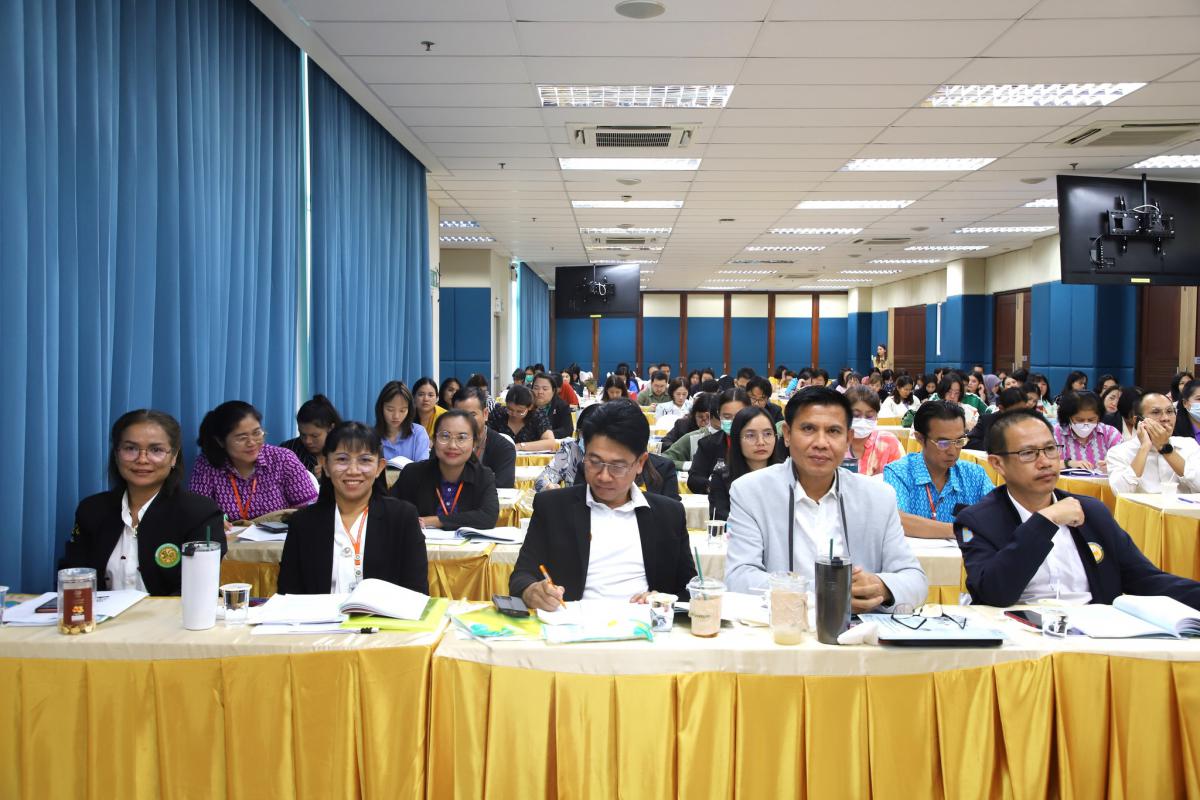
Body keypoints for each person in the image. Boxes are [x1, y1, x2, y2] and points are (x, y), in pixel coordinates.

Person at [955, 409, 1200, 609]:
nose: (1045, 462)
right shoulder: (978, 520)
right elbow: (995, 593)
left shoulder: (1092, 512)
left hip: (1093, 636)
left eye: (1050, 449)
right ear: (998, 464)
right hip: (1020, 640)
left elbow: (1145, 579)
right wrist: (1044, 521)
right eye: (1028, 453)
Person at [724, 387, 927, 609]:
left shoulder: (878, 497)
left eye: (833, 431)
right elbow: (739, 578)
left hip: (858, 626)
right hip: (782, 624)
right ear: (787, 435)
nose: (821, 443)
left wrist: (881, 587)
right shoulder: (751, 492)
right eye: (808, 429)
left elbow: (915, 580)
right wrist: (824, 593)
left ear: (848, 438)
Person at [510, 400, 696, 610]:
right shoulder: (553, 507)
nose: (604, 476)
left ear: (640, 463)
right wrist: (532, 591)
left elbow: (688, 590)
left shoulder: (668, 514)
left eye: (617, 466)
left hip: (643, 624)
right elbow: (521, 577)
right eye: (595, 462)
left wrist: (663, 598)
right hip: (571, 623)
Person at [64, 409, 225, 595]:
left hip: (173, 614)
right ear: (116, 454)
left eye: (156, 450)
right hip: (102, 613)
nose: (142, 459)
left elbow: (198, 589)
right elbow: (75, 578)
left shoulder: (200, 513)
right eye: (130, 449)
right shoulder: (91, 510)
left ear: (173, 457)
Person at [278, 422, 428, 594]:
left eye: (365, 460)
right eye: (342, 459)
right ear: (326, 466)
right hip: (318, 612)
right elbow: (288, 595)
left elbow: (416, 594)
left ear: (379, 467)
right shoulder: (303, 522)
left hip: (385, 612)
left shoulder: (402, 517)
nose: (353, 470)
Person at [188, 400, 318, 523]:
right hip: (230, 538)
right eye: (242, 437)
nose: (251, 442)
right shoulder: (207, 465)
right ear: (220, 441)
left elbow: (312, 511)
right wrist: (213, 522)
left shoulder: (283, 459)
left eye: (256, 433)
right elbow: (197, 513)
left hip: (279, 538)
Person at [883, 401, 994, 539]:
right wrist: (959, 531)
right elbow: (897, 519)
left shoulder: (975, 475)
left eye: (959, 441)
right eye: (943, 443)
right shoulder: (899, 472)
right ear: (920, 438)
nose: (952, 451)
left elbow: (999, 516)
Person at [389, 410, 499, 530]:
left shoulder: (483, 476)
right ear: (434, 440)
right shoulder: (413, 473)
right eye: (445, 436)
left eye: (462, 438)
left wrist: (434, 521)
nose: (452, 445)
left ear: (474, 443)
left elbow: (488, 517)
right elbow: (390, 510)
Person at [1106, 392, 1200, 494]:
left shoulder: (1188, 445)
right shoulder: (1119, 452)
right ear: (1137, 420)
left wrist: (1165, 448)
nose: (1165, 418)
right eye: (1156, 412)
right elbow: (1120, 492)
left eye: (1170, 411)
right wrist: (1144, 448)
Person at [707, 406, 783, 520]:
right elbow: (721, 518)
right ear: (736, 439)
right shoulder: (722, 478)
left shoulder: (787, 475)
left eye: (767, 434)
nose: (761, 442)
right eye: (750, 435)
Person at [687, 388, 750, 494]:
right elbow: (694, 479)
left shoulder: (761, 442)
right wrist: (715, 487)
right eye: (727, 417)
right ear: (719, 414)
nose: (733, 421)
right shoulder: (708, 444)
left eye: (738, 416)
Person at [453, 385, 515, 489]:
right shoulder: (444, 444)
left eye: (472, 415)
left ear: (485, 414)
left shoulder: (504, 447)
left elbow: (503, 486)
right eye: (459, 415)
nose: (465, 421)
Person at [843, 386, 904, 477]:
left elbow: (902, 477)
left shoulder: (889, 443)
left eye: (869, 416)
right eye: (856, 415)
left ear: (877, 416)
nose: (862, 421)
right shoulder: (835, 443)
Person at [1053, 391, 1122, 471]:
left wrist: (1113, 465)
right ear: (1068, 417)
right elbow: (1045, 464)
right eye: (1079, 420)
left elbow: (1125, 462)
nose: (1086, 424)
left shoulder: (1110, 433)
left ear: (1099, 417)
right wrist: (1068, 463)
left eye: (1091, 420)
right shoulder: (1054, 434)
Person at [279, 394, 342, 477]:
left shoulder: (346, 450)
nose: (307, 441)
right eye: (302, 434)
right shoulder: (288, 451)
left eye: (315, 436)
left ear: (331, 429)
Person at [373, 381, 431, 464]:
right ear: (380, 408)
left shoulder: (418, 433)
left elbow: (423, 467)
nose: (396, 416)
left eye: (402, 410)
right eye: (390, 410)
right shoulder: (372, 437)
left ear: (409, 410)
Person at [488, 384, 557, 452]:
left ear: (530, 407)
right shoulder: (498, 414)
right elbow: (485, 438)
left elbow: (550, 443)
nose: (514, 414)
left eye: (519, 411)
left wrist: (520, 446)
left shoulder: (537, 416)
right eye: (510, 409)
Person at [967, 386, 1034, 451]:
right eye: (1015, 411)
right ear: (1001, 408)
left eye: (1023, 410)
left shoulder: (1030, 421)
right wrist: (997, 448)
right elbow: (970, 442)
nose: (1019, 414)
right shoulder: (987, 420)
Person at [531, 372, 574, 439]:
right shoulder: (526, 404)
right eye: (536, 388)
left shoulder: (562, 406)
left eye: (545, 389)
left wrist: (545, 435)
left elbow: (567, 430)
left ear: (553, 391)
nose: (540, 392)